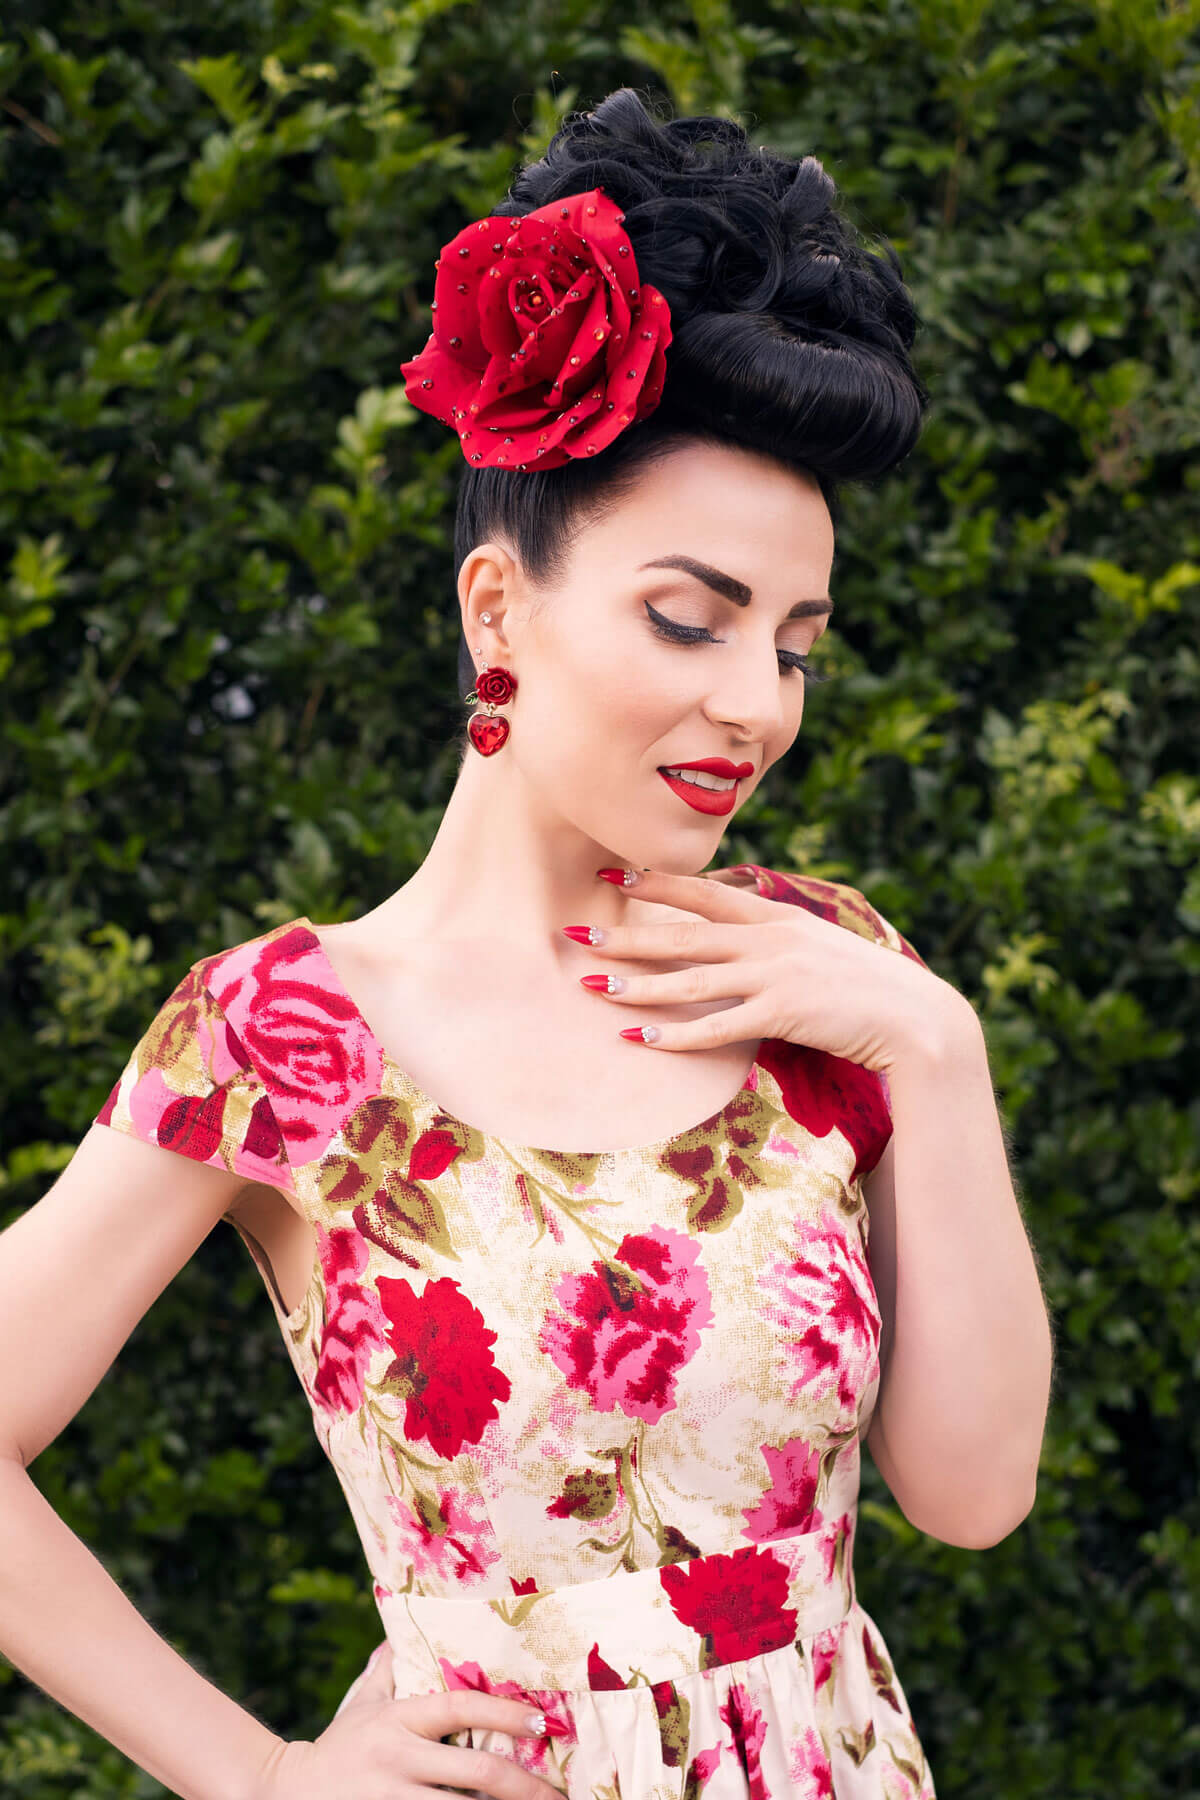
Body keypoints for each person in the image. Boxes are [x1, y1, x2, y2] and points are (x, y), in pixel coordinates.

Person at [0, 85, 1040, 1800]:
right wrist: (254, 1774)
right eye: (688, 619)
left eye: (795, 644)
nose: (752, 704)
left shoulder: (831, 976)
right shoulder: (285, 1033)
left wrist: (937, 1047)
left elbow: (975, 1494)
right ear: (501, 607)